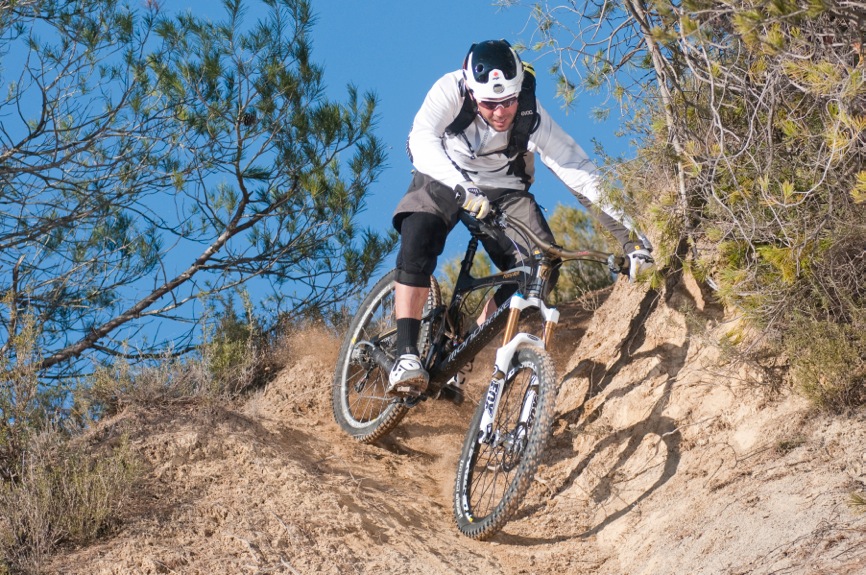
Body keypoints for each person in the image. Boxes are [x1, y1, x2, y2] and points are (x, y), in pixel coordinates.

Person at [387, 39, 653, 398]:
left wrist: (630, 238)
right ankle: (405, 354)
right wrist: (462, 187)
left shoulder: (530, 113)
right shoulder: (450, 90)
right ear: (471, 91)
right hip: (445, 174)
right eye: (489, 104)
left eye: (508, 101)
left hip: (505, 189)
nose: (500, 112)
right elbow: (421, 140)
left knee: (540, 269)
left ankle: (463, 350)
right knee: (419, 235)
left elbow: (576, 168)